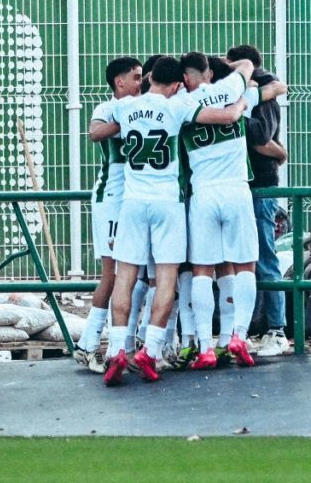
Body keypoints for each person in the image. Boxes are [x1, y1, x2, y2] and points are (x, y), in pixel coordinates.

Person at [91, 57, 248, 386]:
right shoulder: (179, 106)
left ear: (148, 79)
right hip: (168, 204)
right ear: (177, 84)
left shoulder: (125, 107)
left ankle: (118, 348)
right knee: (166, 280)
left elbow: (97, 132)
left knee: (125, 278)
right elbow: (223, 116)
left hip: (133, 204)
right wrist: (240, 104)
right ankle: (151, 350)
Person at [177, 52, 259, 369]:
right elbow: (250, 67)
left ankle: (204, 347)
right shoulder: (229, 89)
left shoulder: (181, 105)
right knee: (245, 267)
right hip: (237, 188)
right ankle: (238, 335)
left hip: (204, 193)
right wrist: (238, 97)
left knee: (201, 271)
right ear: (208, 72)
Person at [76, 56, 142, 374]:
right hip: (111, 200)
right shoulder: (107, 108)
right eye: (136, 76)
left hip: (134, 200)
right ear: (119, 82)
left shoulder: (147, 106)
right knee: (112, 273)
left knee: (133, 272)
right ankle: (88, 345)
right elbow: (94, 133)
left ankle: (125, 345)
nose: (140, 82)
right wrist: (126, 122)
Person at [228, 44, 291, 357]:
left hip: (259, 186)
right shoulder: (258, 90)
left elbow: (262, 139)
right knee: (240, 261)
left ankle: (277, 330)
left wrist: (236, 116)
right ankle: (243, 330)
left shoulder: (262, 92)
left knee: (265, 257)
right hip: (242, 185)